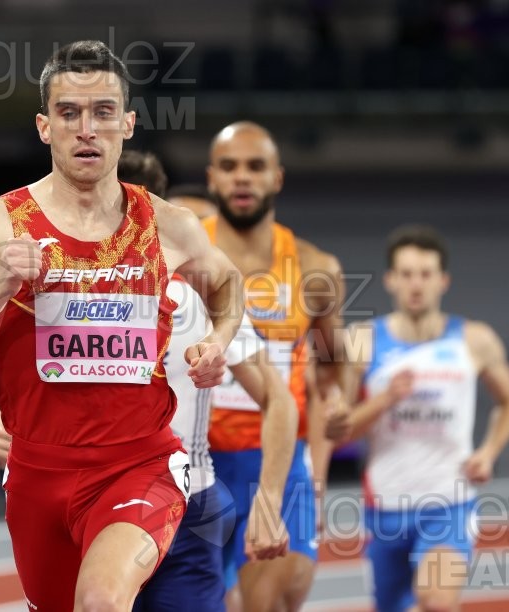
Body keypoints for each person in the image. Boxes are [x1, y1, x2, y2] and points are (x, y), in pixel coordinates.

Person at [0, 40, 246, 612]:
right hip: (37, 473)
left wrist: (217, 341)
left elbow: (229, 286)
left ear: (127, 123)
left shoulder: (170, 226)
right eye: (69, 113)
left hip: (141, 465)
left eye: (102, 113)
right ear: (45, 127)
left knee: (101, 600)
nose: (86, 129)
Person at [0, 149, 298, 611]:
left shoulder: (195, 297)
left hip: (182, 504)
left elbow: (278, 398)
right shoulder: (53, 292)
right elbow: (36, 384)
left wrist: (270, 502)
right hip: (80, 495)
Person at [326, 225, 509, 612]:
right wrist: (385, 399)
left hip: (449, 501)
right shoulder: (362, 339)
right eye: (406, 274)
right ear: (390, 280)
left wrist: (488, 451)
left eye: (425, 274)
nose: (416, 284)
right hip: (386, 504)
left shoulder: (474, 338)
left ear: (442, 280)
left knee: (436, 601)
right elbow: (340, 430)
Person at [204, 121, 346, 611]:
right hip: (192, 463)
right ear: (211, 178)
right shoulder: (180, 255)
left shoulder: (315, 268)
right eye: (229, 166)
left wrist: (320, 464)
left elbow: (333, 368)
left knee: (268, 605)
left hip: (277, 464)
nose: (242, 178)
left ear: (277, 178)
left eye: (255, 166)